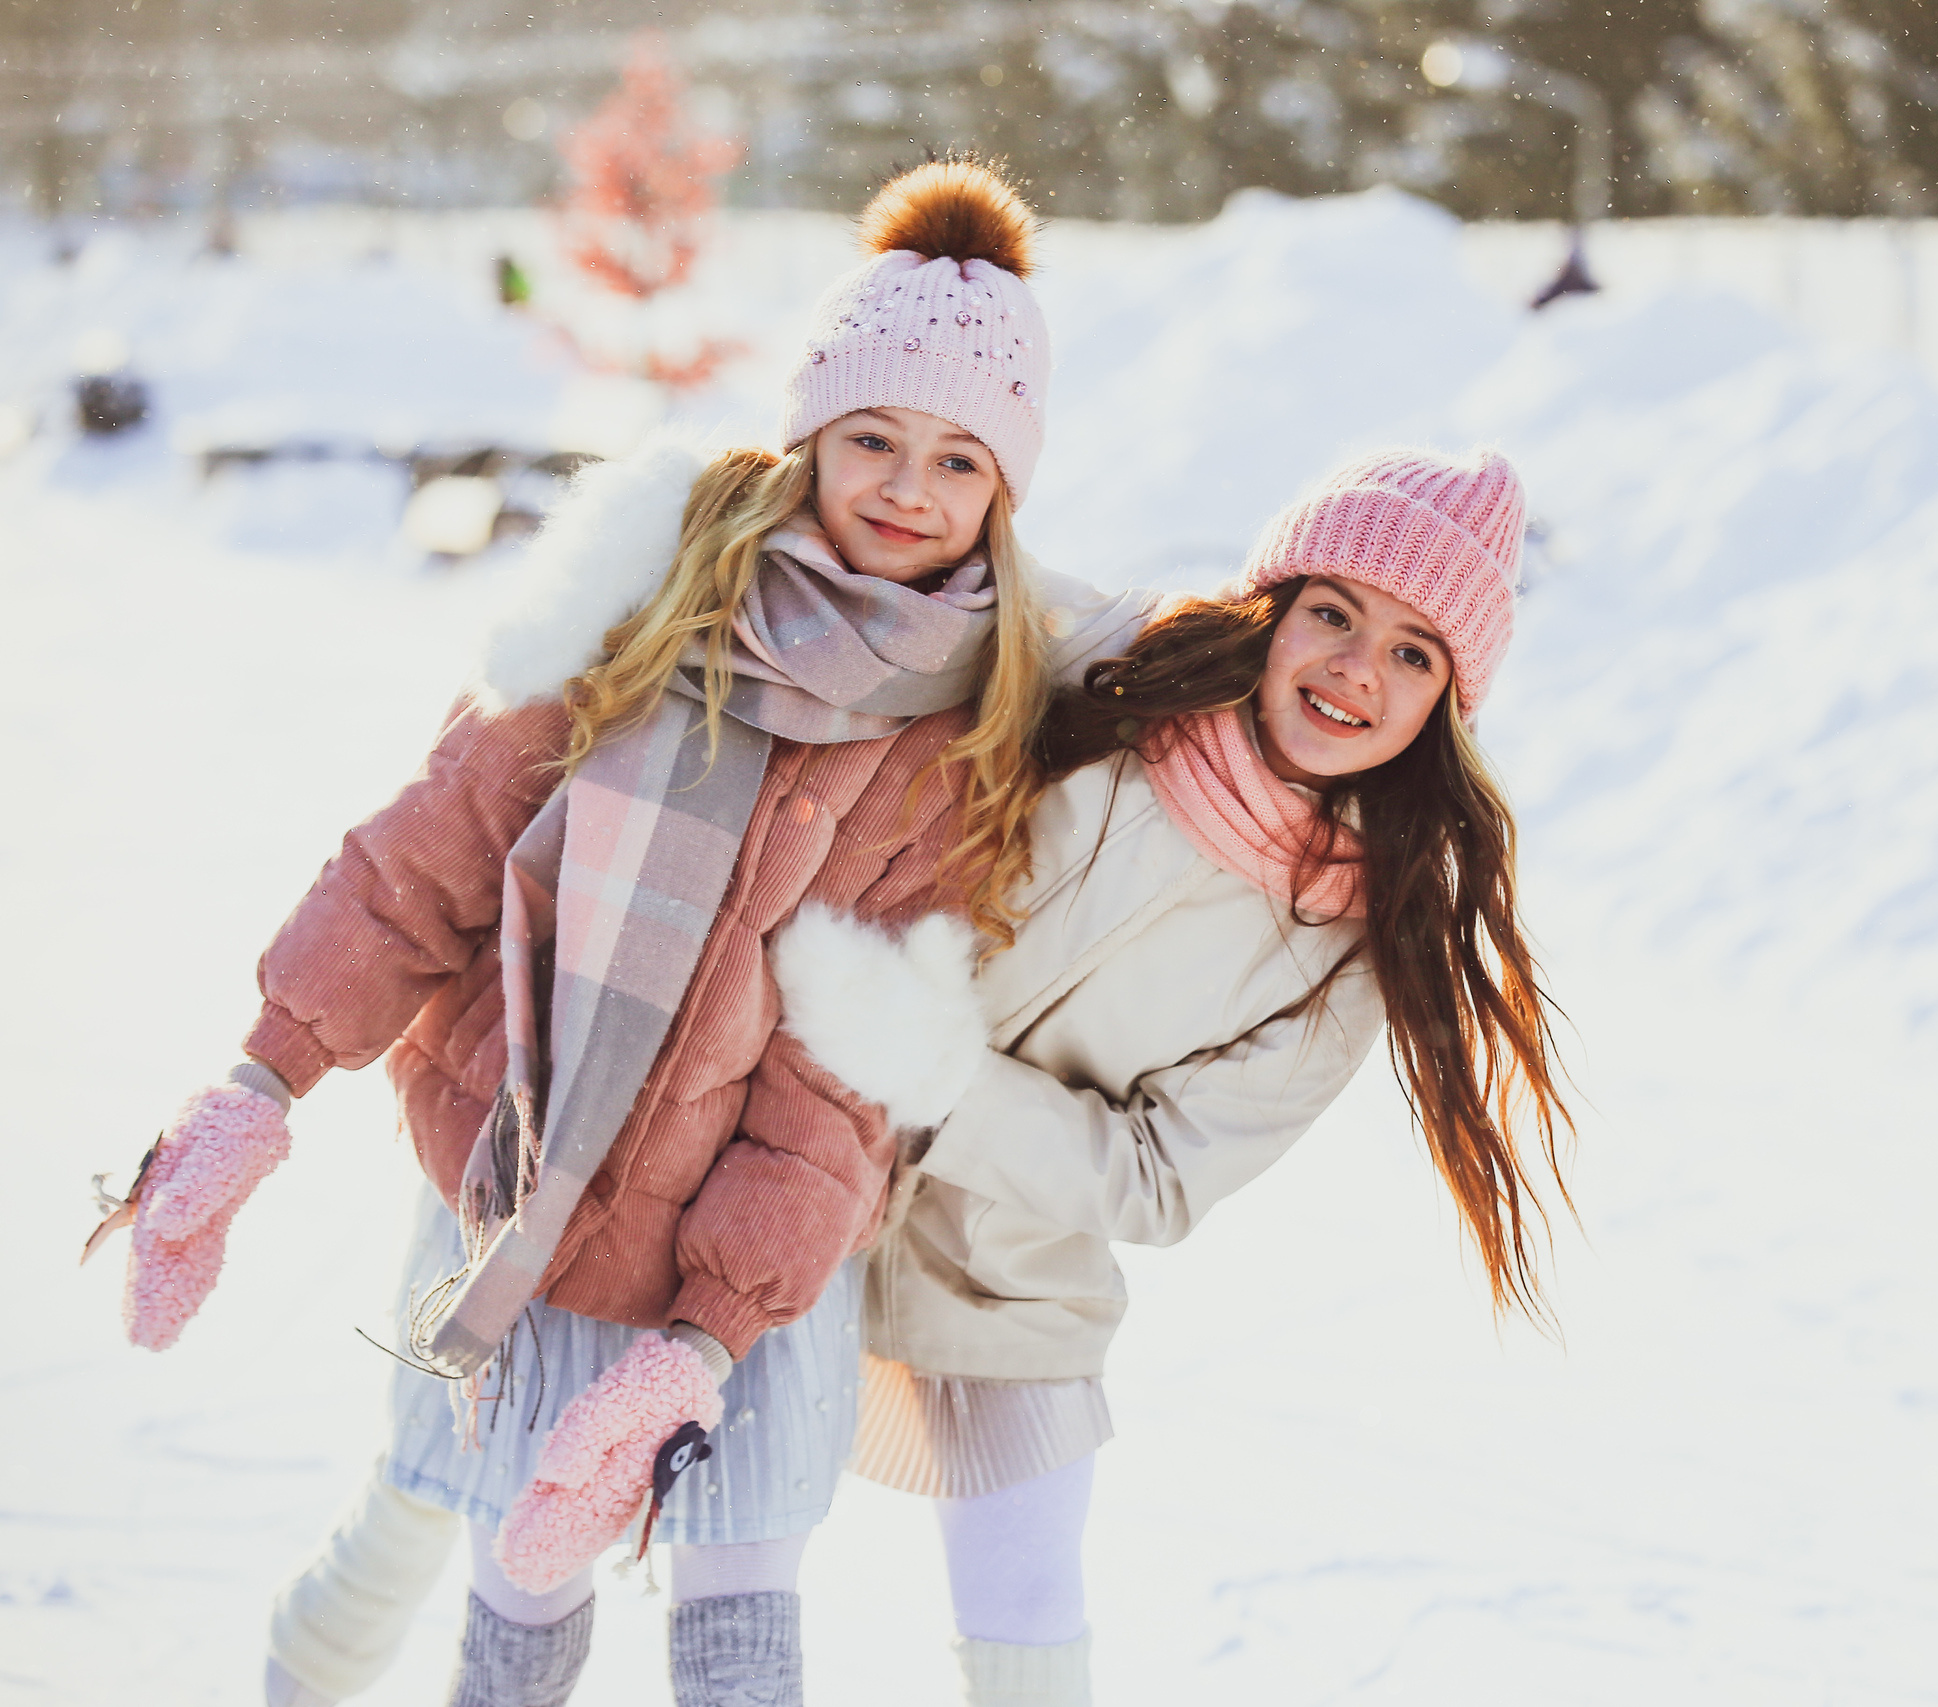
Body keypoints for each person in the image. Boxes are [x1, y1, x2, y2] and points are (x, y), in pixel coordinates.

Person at [255, 444, 1577, 1707]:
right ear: (1271, 604)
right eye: (1335, 614)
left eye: (1413, 654)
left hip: (1000, 1254)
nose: (1356, 670)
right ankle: (326, 1642)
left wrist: (941, 1075)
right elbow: (889, 572)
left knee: (1022, 1576)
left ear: (1450, 708)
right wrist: (669, 520)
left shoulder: (1353, 945)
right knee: (474, 1450)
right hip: (778, 1146)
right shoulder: (1110, 664)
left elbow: (1163, 1176)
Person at [86, 160, 1147, 1707]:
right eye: (872, 436)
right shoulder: (646, 600)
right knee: (522, 1562)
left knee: (737, 1590)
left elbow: (841, 1084)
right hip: (525, 1190)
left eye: (958, 461)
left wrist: (708, 1334)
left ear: (1006, 491)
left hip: (738, 1283)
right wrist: (262, 1080)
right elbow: (424, 861)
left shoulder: (957, 747)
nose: (908, 490)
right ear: (807, 431)